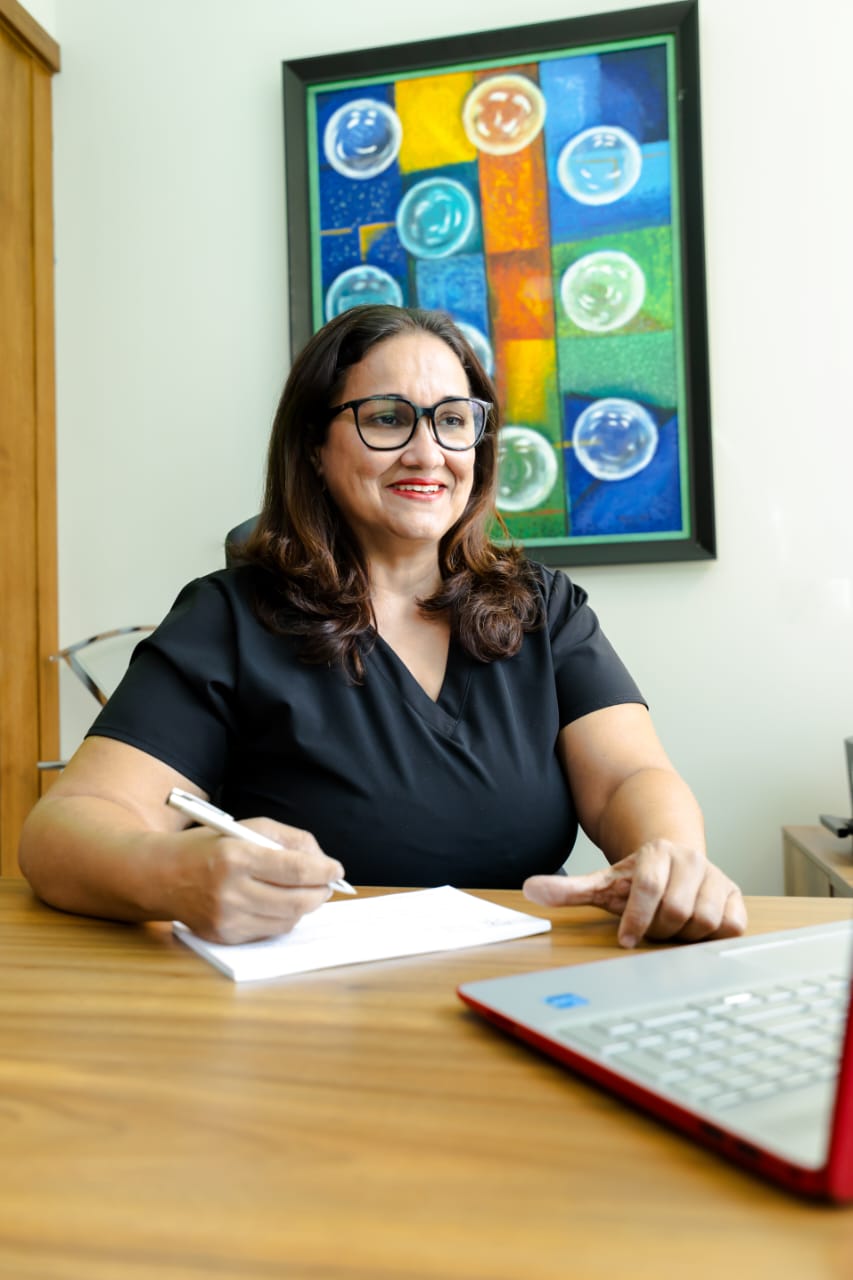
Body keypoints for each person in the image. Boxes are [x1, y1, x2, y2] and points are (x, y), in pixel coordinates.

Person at [19, 305, 746, 949]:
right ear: (313, 446)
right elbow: (63, 831)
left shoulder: (542, 608)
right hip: (314, 1023)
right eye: (388, 418)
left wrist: (671, 855)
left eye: (453, 420)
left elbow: (628, 777)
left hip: (522, 987)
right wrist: (173, 877)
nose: (427, 452)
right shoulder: (229, 619)